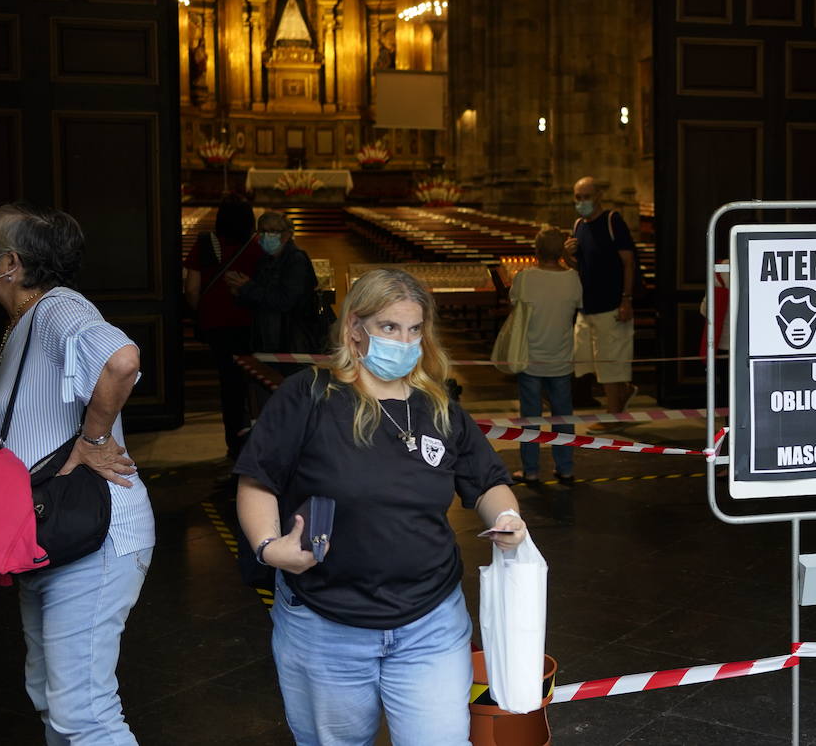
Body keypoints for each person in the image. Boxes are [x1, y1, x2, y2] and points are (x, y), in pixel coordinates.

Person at [234, 267, 527, 745]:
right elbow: (257, 480)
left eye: (414, 330)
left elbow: (487, 480)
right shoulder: (309, 396)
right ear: (355, 328)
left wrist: (508, 517)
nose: (404, 341)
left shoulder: (438, 406)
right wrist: (269, 547)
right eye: (390, 327)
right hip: (326, 625)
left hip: (430, 621)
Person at [0, 203, 154, 744]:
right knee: (52, 695)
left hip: (91, 537)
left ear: (10, 263)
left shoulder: (57, 308)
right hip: (49, 535)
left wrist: (93, 439)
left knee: (84, 711)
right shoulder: (28, 324)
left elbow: (121, 358)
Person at [184, 193, 262, 458]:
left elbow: (192, 288)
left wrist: (202, 313)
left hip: (217, 324)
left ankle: (235, 445)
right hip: (253, 324)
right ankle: (261, 442)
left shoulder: (207, 243)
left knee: (229, 386)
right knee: (258, 383)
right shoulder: (259, 244)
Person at [510, 227, 583, 484]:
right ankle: (565, 467)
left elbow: (513, 303)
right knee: (563, 415)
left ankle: (530, 469)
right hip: (561, 358)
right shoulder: (573, 278)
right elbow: (578, 305)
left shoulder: (525, 278)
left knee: (530, 417)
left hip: (530, 358)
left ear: (536, 251)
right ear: (562, 250)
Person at [563, 176, 637, 421]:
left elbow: (628, 262)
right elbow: (581, 268)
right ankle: (623, 393)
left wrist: (626, 299)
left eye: (586, 196)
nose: (582, 202)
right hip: (586, 306)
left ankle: (614, 413)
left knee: (610, 361)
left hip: (611, 304)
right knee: (586, 359)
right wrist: (567, 256)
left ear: (598, 196)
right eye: (578, 197)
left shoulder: (612, 221)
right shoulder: (578, 225)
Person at [228, 210, 320, 356]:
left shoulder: (296, 260)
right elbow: (260, 298)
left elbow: (285, 301)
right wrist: (239, 291)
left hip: (289, 339)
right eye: (262, 231)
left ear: (286, 235)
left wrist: (248, 287)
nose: (265, 236)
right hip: (267, 337)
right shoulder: (265, 259)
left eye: (271, 231)